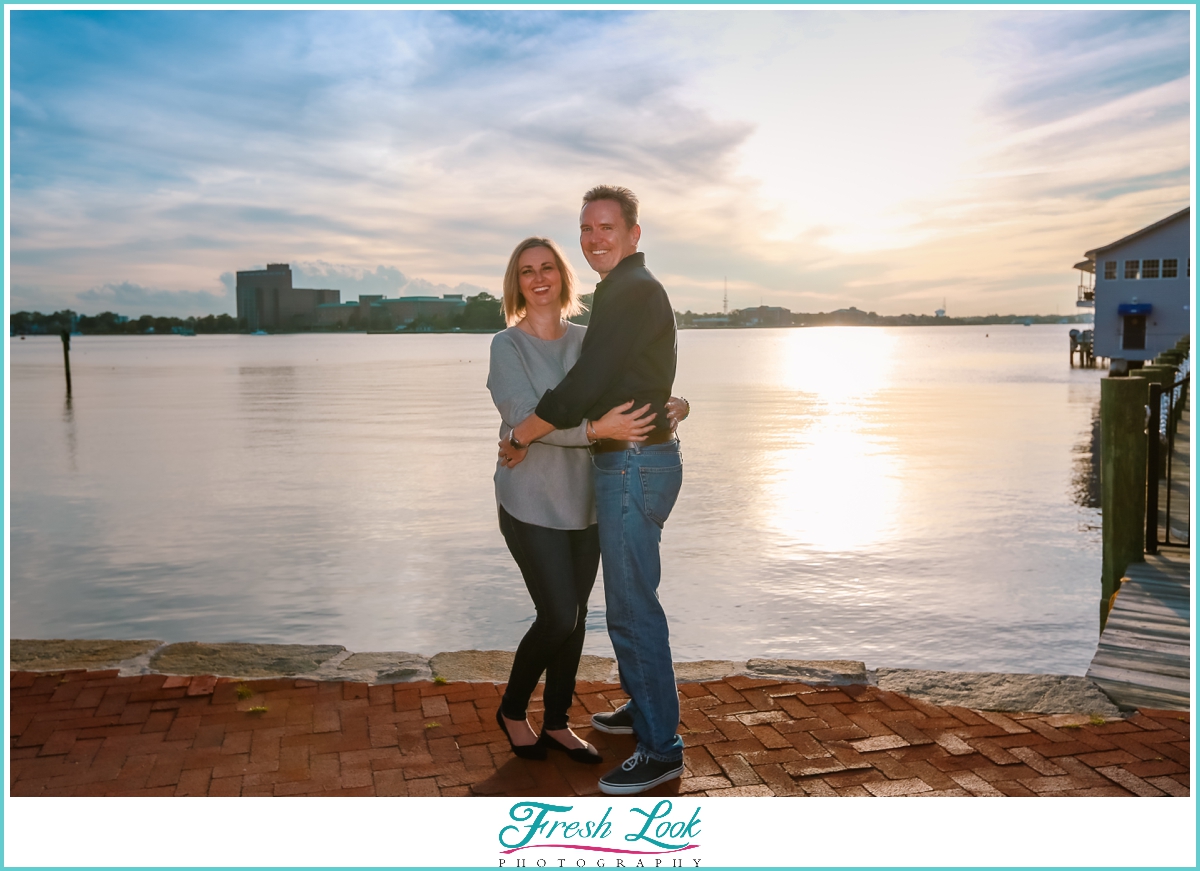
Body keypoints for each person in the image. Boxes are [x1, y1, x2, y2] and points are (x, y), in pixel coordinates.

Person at [500, 186, 686, 796]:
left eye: (607, 227)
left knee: (631, 610)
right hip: (625, 463)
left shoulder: (629, 291)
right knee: (627, 603)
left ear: (634, 233)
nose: (596, 238)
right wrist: (669, 403)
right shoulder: (623, 293)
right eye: (587, 229)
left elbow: (588, 382)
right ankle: (644, 710)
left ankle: (660, 748)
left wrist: (525, 432)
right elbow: (631, 375)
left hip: (633, 463)